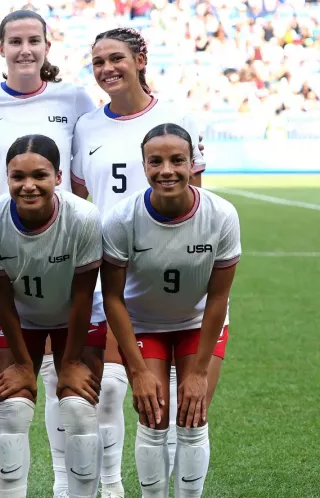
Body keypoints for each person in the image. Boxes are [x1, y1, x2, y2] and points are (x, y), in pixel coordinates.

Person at [0, 9, 97, 497]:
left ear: (46, 46)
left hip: (60, 244)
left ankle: (67, 481)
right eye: (14, 41)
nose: (24, 49)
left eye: (33, 40)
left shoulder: (74, 98)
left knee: (69, 381)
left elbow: (80, 165)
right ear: (0, 48)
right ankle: (1, 485)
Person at [70, 27, 206, 497]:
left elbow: (197, 202)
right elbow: (82, 200)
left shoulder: (176, 117)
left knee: (168, 405)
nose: (107, 69)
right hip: (111, 281)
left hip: (170, 281)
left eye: (116, 58)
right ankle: (111, 489)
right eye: (98, 61)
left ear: (141, 59)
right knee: (109, 392)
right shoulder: (87, 126)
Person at [100, 123, 239, 498]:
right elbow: (112, 297)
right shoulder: (120, 219)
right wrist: (139, 369)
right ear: (143, 165)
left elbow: (218, 297)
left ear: (193, 163)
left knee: (193, 418)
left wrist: (198, 372)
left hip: (198, 322)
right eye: (155, 161)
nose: (167, 170)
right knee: (153, 417)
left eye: (177, 160)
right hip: (144, 324)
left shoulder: (221, 215)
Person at [0, 134, 105, 498]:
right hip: (19, 318)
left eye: (40, 176)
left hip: (75, 318)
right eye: (18, 177)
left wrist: (74, 361)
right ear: (8, 177)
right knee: (13, 408)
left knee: (78, 407)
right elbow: (1, 298)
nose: (28, 186)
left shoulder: (83, 217)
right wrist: (20, 363)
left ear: (58, 177)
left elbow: (82, 296)